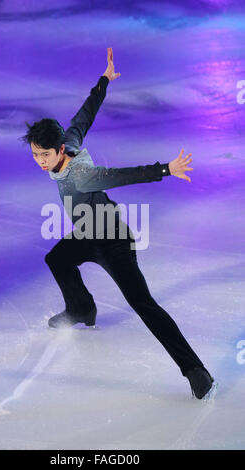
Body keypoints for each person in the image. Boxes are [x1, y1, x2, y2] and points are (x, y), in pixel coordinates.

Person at [21, 48, 217, 400]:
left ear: (60, 152)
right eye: (35, 154)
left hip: (113, 239)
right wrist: (104, 81)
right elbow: (84, 116)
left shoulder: (83, 175)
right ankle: (82, 308)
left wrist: (164, 169)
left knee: (142, 303)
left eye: (44, 155)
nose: (39, 161)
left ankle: (196, 370)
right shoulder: (69, 140)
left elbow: (122, 175)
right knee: (57, 258)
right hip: (85, 232)